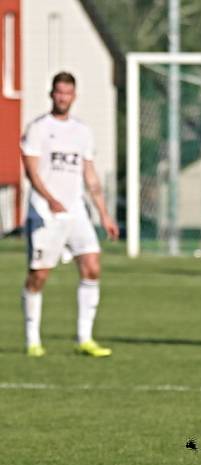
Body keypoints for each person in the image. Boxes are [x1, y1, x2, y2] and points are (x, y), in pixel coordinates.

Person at [20, 71, 119, 358]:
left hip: (76, 211)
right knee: (38, 276)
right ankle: (32, 339)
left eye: (68, 93)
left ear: (74, 96)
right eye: (59, 92)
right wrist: (50, 199)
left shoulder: (82, 131)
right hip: (45, 212)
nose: (63, 98)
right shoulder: (38, 128)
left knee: (92, 265)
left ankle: (84, 338)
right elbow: (31, 170)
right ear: (52, 94)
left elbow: (89, 175)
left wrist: (104, 214)